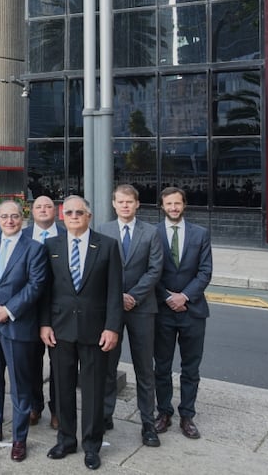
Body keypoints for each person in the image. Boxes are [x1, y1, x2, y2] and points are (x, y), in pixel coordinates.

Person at [39, 196, 123, 471]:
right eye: (69, 212)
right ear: (62, 216)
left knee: (93, 390)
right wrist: (45, 323)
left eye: (79, 212)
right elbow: (46, 292)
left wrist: (112, 327)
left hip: (96, 331)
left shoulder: (108, 246)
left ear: (89, 216)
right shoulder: (51, 245)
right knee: (62, 388)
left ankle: (91, 445)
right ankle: (65, 439)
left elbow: (114, 292)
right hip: (60, 330)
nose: (73, 216)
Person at [0, 200, 46, 462]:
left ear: (22, 218)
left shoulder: (35, 249)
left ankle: (19, 437)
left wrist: (8, 310)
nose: (9, 221)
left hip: (18, 326)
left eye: (14, 216)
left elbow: (35, 286)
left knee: (20, 385)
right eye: (4, 216)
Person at [97, 184, 163, 447]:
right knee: (108, 366)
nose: (125, 206)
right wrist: (116, 298)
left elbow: (155, 269)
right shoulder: (103, 230)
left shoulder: (151, 232)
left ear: (137, 205)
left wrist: (132, 296)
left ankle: (148, 422)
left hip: (143, 309)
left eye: (129, 202)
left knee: (145, 368)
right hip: (110, 310)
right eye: (120, 202)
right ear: (114, 204)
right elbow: (99, 269)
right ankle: (105, 415)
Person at [153, 186, 213, 440]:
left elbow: (205, 271)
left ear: (184, 205)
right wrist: (167, 297)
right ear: (162, 206)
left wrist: (184, 296)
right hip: (162, 310)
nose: (174, 208)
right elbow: (148, 271)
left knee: (191, 368)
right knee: (162, 367)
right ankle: (164, 412)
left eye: (178, 204)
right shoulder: (152, 233)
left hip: (193, 310)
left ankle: (187, 415)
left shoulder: (201, 234)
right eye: (169, 204)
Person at [24, 194, 64, 428]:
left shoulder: (66, 234)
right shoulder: (22, 235)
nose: (43, 209)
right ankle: (34, 405)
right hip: (29, 309)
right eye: (38, 206)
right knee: (31, 361)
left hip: (59, 310)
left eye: (48, 206)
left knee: (59, 363)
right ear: (32, 211)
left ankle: (58, 409)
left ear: (55, 211)